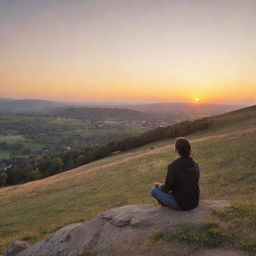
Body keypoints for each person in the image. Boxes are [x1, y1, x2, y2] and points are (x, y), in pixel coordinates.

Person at [150, 137, 200, 211]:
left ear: (177, 150)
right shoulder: (195, 164)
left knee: (154, 191)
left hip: (182, 205)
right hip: (195, 202)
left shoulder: (173, 166)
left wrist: (159, 185)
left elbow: (166, 188)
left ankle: (167, 206)